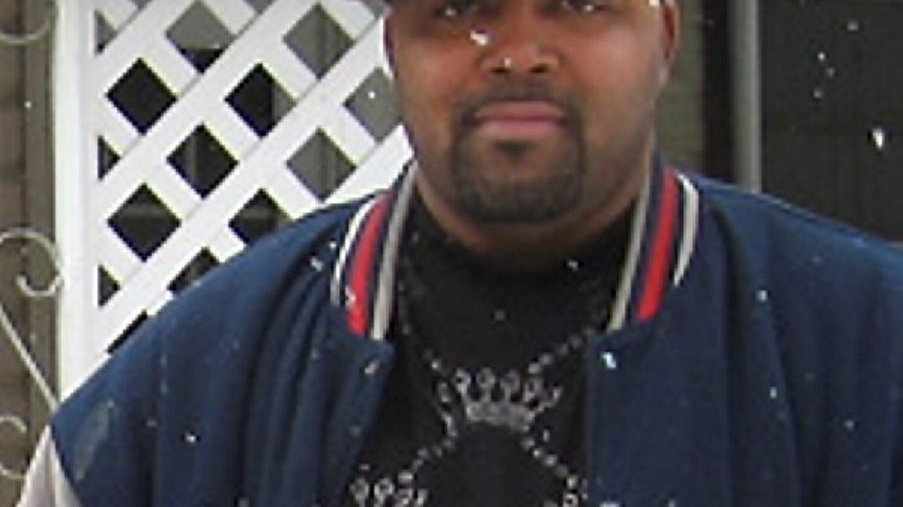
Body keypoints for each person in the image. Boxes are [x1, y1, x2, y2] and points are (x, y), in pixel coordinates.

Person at [17, 0, 903, 505]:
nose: (518, 54)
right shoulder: (203, 378)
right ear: (394, 46)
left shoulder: (865, 349)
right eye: (461, 10)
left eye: (577, 3)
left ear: (663, 35)